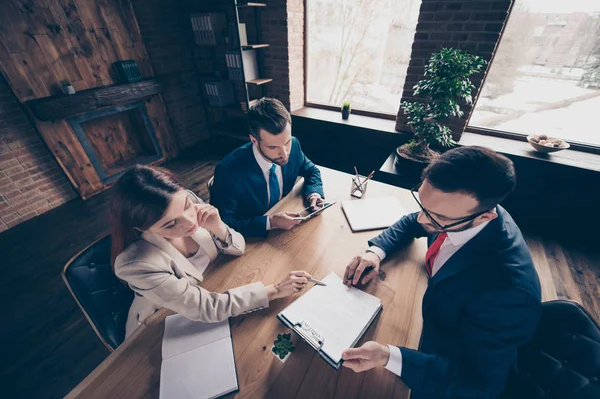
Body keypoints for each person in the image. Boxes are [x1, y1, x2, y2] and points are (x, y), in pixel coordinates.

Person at [341, 147, 541, 398]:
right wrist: (375, 253)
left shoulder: (510, 293)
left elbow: (478, 385)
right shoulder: (457, 212)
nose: (423, 219)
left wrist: (389, 356)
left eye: (436, 217)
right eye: (422, 204)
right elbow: (411, 221)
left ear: (484, 218)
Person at [110, 165, 312, 338]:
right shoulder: (135, 264)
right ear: (142, 228)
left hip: (214, 286)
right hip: (163, 322)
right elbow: (204, 307)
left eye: (187, 207)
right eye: (171, 224)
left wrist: (218, 227)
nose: (190, 222)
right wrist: (275, 290)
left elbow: (238, 247)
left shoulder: (187, 198)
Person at [210, 98, 325, 237]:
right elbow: (223, 224)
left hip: (287, 231)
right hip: (252, 239)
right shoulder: (227, 172)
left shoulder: (294, 145)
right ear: (254, 141)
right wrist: (270, 222)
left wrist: (314, 194)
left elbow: (311, 170)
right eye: (273, 147)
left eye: (286, 142)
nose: (284, 153)